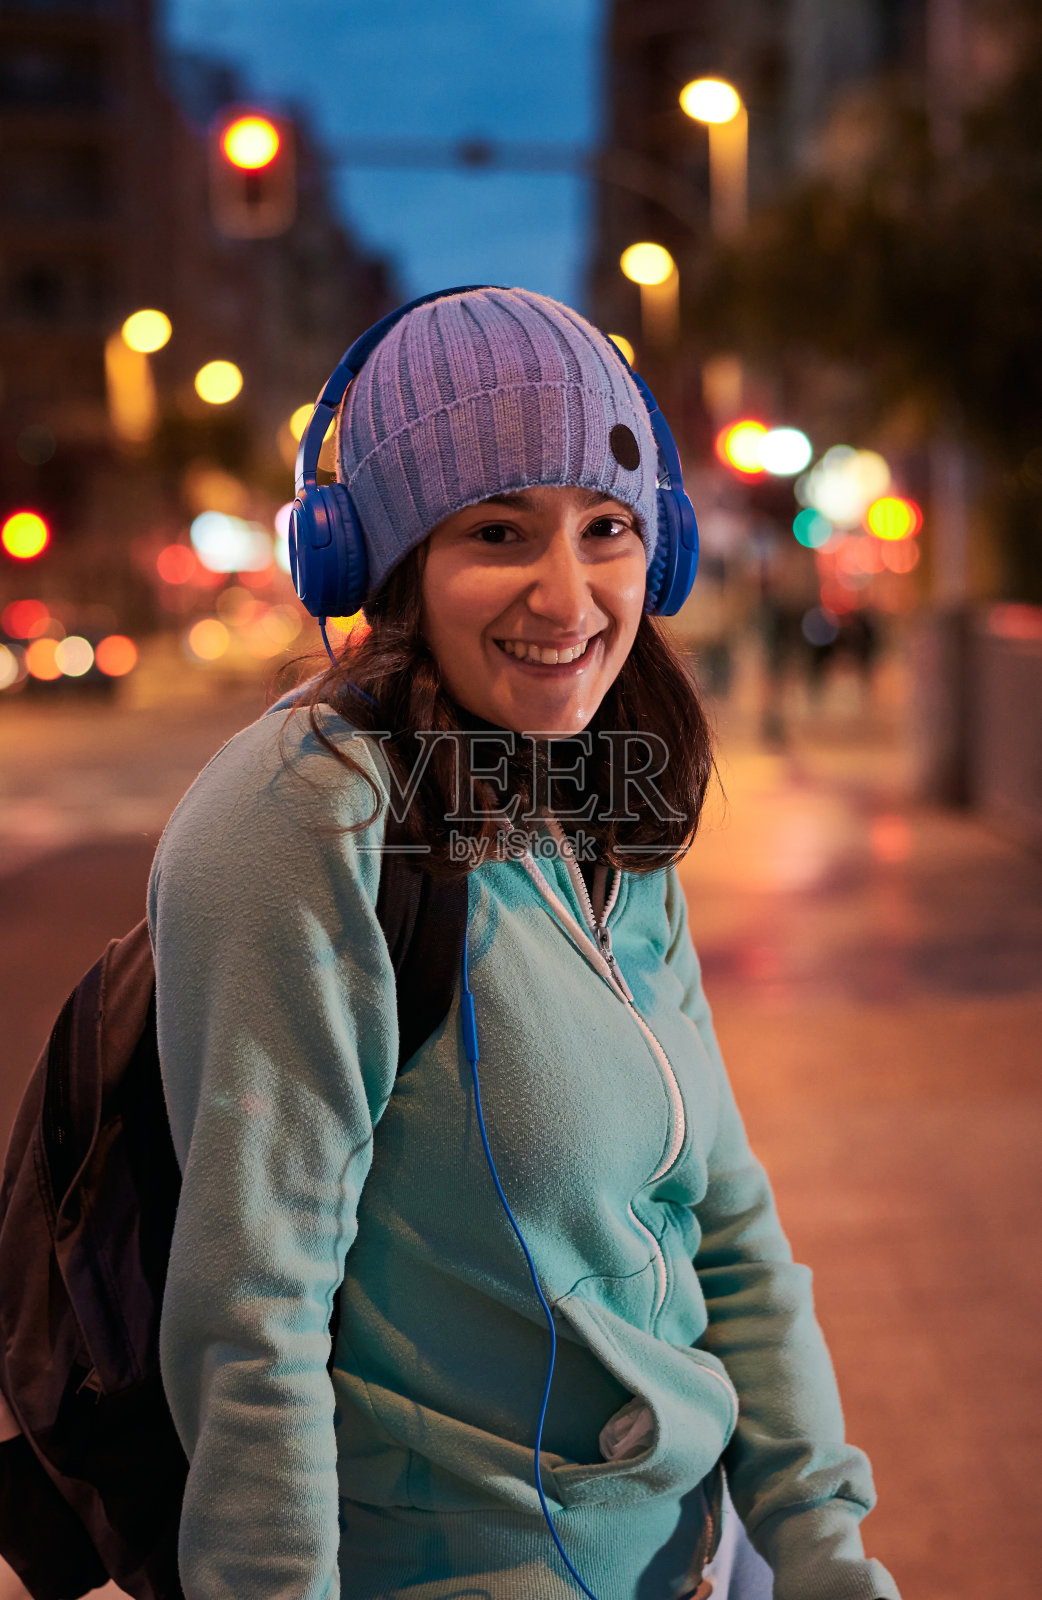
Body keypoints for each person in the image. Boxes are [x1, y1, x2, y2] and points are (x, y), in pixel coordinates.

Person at [147, 287, 900, 1600]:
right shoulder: (308, 819)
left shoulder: (602, 795)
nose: (568, 595)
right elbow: (248, 1324)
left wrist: (820, 1541)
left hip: (700, 1560)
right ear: (372, 557)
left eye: (606, 530)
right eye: (498, 531)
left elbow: (721, 1219)